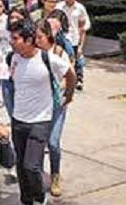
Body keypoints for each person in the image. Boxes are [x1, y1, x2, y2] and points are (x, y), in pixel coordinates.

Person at [9, 20, 76, 205]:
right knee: (21, 167)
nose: (11, 42)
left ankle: (39, 198)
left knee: (31, 166)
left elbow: (71, 74)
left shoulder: (48, 59)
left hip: (40, 121)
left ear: (29, 40)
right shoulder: (14, 58)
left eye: (15, 38)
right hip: (18, 120)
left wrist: (69, 95)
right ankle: (26, 200)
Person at [35, 19, 73, 197]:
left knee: (53, 142)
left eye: (40, 36)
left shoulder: (59, 52)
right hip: (40, 105)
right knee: (40, 142)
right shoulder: (32, 53)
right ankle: (41, 176)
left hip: (57, 104)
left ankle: (55, 174)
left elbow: (68, 74)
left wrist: (64, 91)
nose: (37, 39)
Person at [55, 0, 90, 90]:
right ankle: (68, 79)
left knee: (78, 56)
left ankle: (78, 78)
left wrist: (81, 44)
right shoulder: (59, 7)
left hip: (76, 36)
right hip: (63, 36)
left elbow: (85, 26)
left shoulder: (80, 8)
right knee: (70, 55)